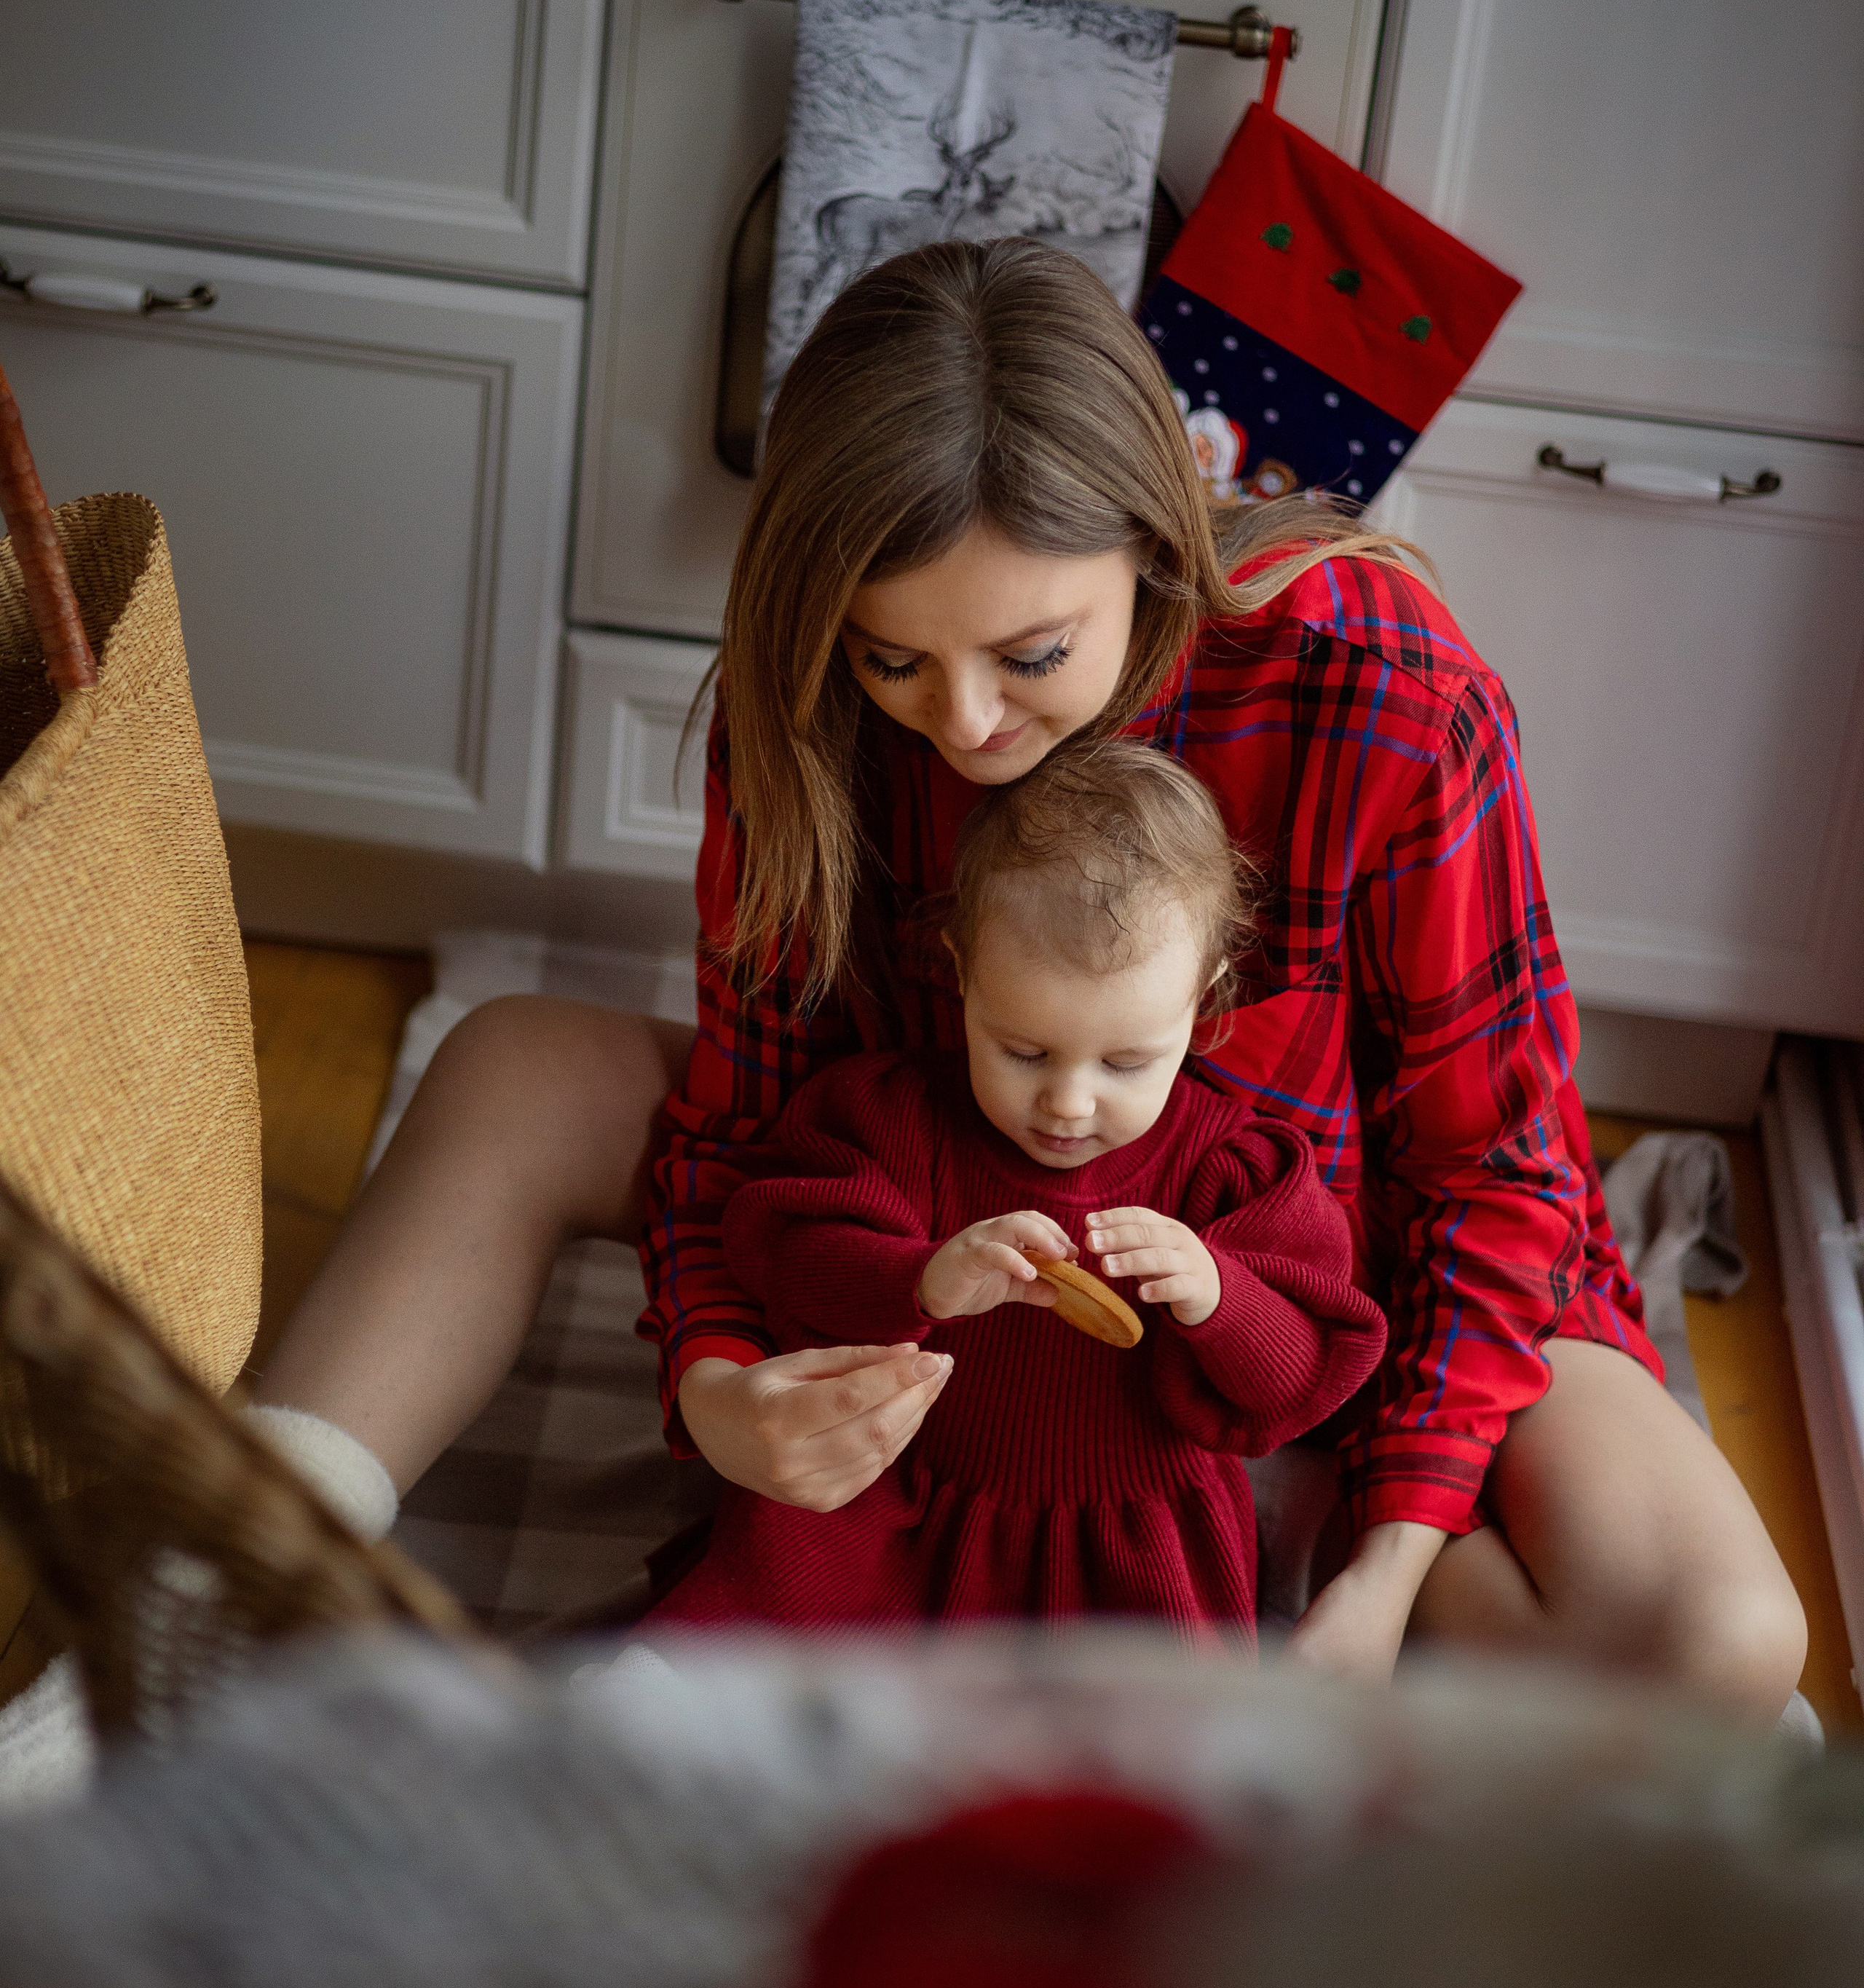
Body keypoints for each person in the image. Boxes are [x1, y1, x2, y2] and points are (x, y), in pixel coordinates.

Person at [256, 238, 1807, 1713]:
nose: (967, 727)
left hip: (1316, 1288)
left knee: (1722, 1646)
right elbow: (750, 1124)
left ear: (1152, 532)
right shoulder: (797, 704)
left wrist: (1386, 1569)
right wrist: (717, 1389)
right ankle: (215, 1565)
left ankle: (1282, 1509)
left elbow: (1493, 1173)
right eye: (894, 662)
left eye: (1031, 655)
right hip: (943, 1258)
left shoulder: (1380, 685)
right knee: (514, 1062)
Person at [649, 741, 1385, 1630]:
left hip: (1127, 1555)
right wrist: (921, 1278)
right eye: (1023, 1051)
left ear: (1205, 999)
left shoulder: (1233, 1173)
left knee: (1126, 1751)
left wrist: (1218, 1295)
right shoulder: (891, 1120)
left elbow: (1304, 1374)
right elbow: (789, 1265)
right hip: (896, 1516)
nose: (1069, 1103)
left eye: (1126, 1061)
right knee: (753, 1669)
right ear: (960, 975)